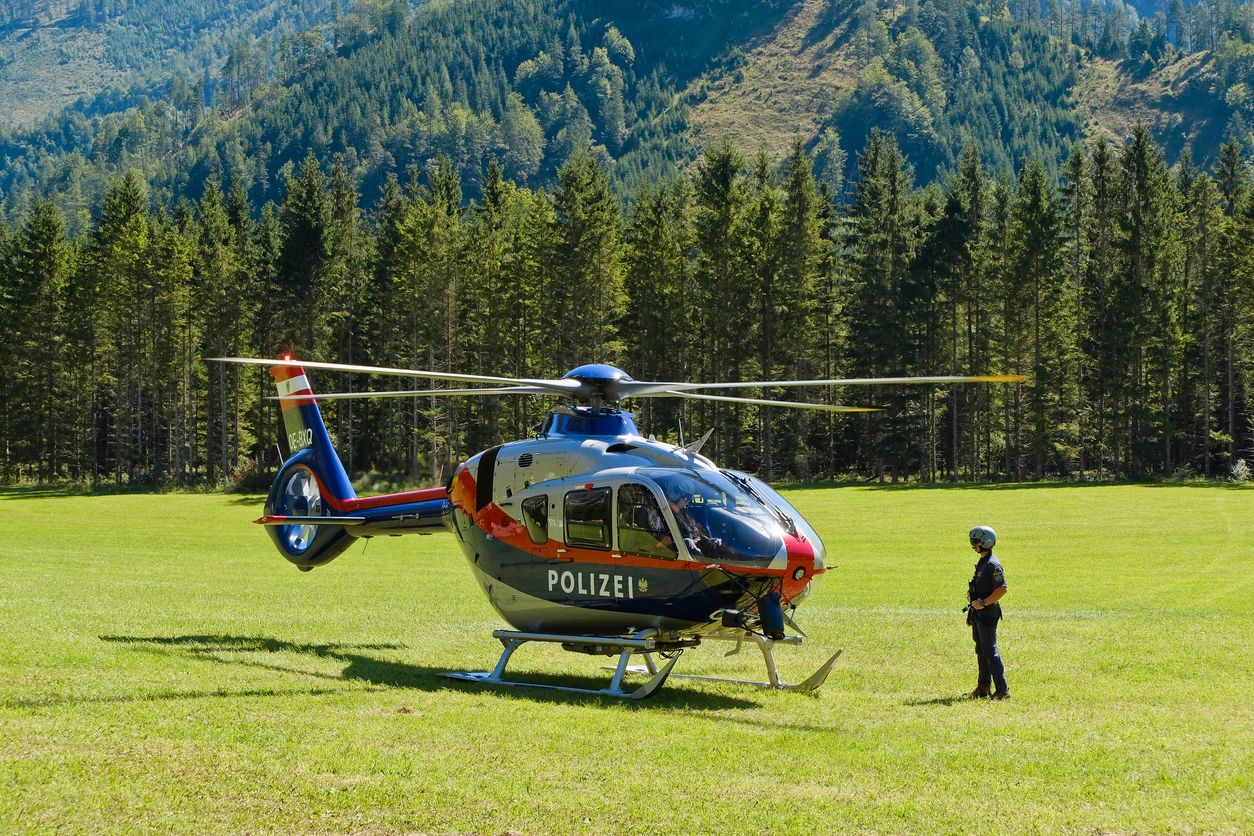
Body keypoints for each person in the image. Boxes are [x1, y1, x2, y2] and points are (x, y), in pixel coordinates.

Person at [965, 525, 1010, 700]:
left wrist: (983, 603)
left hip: (988, 613)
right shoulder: (984, 560)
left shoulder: (993, 564)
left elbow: (1002, 589)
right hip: (979, 614)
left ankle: (1002, 689)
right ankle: (983, 687)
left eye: (975, 542)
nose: (973, 545)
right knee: (981, 650)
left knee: (990, 651)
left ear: (985, 542)